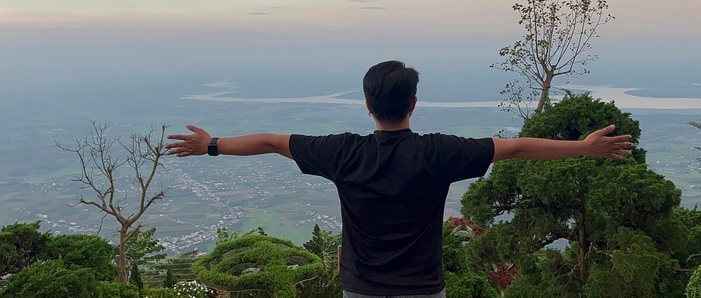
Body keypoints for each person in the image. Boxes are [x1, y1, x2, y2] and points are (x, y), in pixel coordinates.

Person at [166, 61, 633, 298]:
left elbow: (270, 140)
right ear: (413, 103)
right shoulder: (439, 153)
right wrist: (585, 147)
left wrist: (212, 144)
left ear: (368, 105)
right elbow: (514, 147)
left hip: (361, 286)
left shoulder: (344, 152)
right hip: (423, 287)